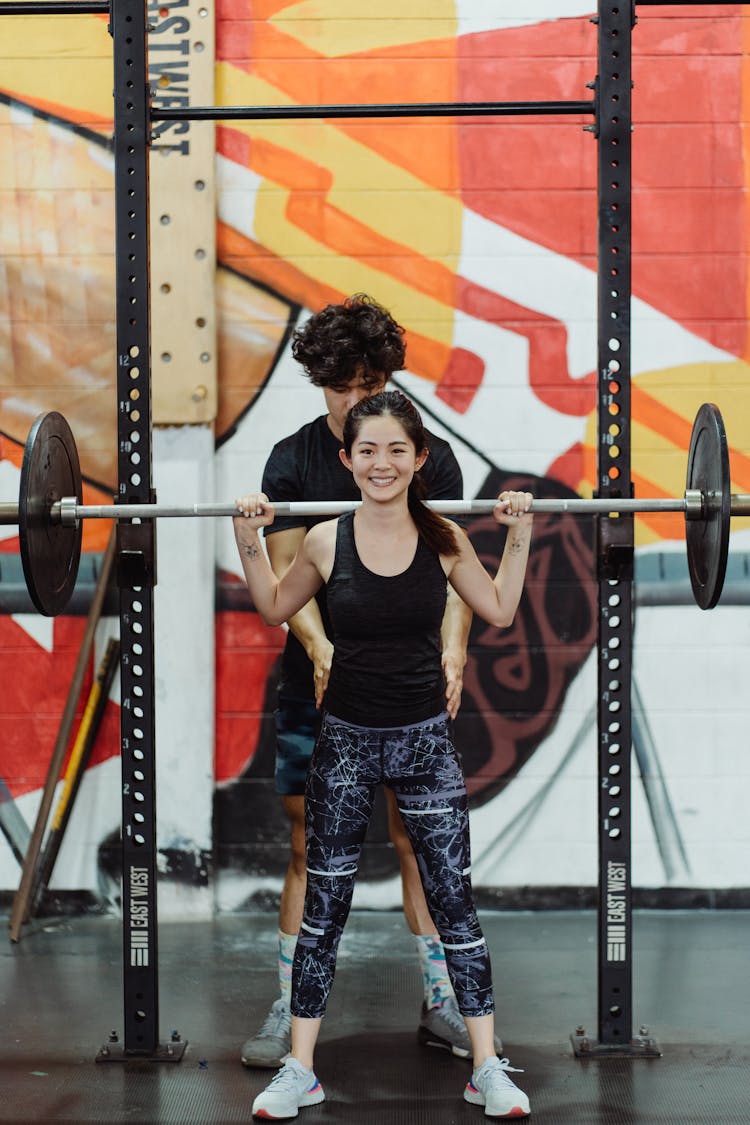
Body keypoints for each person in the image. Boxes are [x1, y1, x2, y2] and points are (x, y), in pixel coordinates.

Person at [233, 389, 533, 1120]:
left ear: (419, 458)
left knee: (454, 900)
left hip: (426, 742)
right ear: (347, 459)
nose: (382, 462)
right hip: (344, 744)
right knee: (326, 908)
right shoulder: (327, 539)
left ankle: (486, 1064)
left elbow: (497, 608)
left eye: (397, 449)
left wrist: (519, 532)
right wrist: (248, 535)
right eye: (367, 449)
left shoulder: (444, 540)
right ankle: (300, 1068)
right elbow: (275, 607)